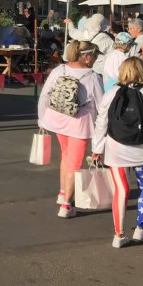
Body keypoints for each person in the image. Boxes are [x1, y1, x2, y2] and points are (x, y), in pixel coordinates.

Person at [91, 57, 143, 248]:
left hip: (115, 150)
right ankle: (140, 228)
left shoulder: (112, 92)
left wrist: (97, 149)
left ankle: (118, 234)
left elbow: (101, 121)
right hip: (142, 151)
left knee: (121, 189)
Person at [37, 40, 104, 219]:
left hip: (58, 118)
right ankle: (66, 204)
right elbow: (102, 106)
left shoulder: (60, 70)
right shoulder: (92, 77)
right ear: (87, 57)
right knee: (74, 163)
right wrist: (102, 134)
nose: (95, 60)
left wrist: (42, 118)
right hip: (80, 124)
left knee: (66, 156)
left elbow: (45, 95)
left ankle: (62, 193)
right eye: (95, 56)